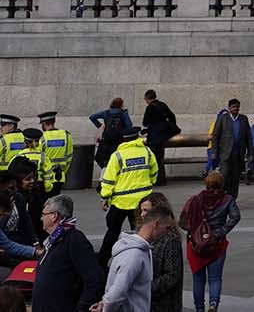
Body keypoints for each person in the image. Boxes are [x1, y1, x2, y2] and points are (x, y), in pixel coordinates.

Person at [97, 123, 160, 263]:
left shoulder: (118, 156)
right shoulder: (147, 152)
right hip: (142, 201)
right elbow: (154, 173)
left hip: (121, 202)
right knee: (140, 232)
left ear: (124, 140)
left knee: (112, 231)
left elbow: (108, 180)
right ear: (137, 138)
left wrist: (105, 197)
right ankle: (144, 258)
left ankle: (102, 259)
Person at [180, 170, 239, 312]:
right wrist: (221, 231)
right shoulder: (227, 199)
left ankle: (199, 308)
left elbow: (183, 221)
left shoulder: (197, 199)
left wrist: (194, 233)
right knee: (215, 278)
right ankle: (213, 304)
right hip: (216, 243)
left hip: (197, 244)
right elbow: (235, 217)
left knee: (198, 279)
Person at [34, 194, 104, 312]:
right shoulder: (53, 239)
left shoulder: (74, 239)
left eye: (43, 214)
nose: (41, 218)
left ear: (54, 216)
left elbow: (95, 278)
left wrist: (82, 307)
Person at [100, 193, 168, 312]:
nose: (165, 233)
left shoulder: (135, 250)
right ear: (156, 224)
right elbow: (115, 295)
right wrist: (106, 306)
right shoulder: (134, 256)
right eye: (165, 228)